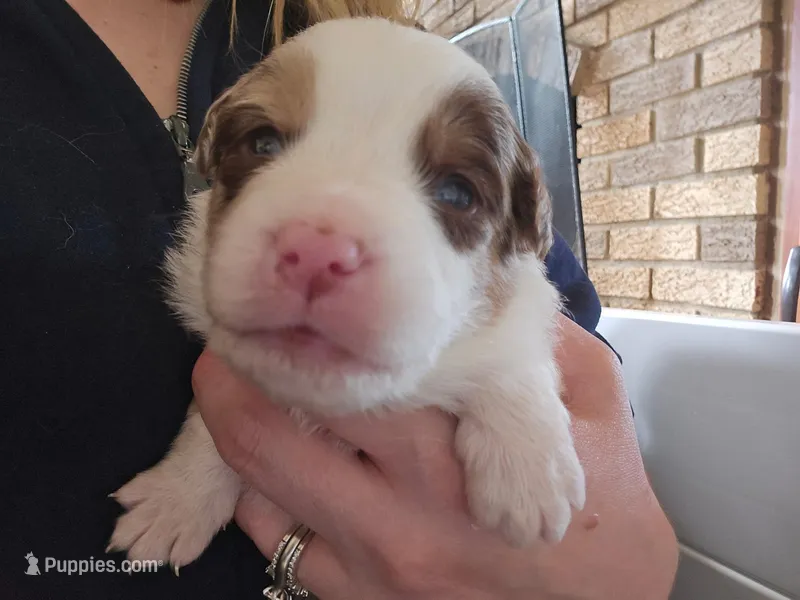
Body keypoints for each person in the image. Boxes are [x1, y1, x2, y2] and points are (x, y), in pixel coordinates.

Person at [0, 0, 678, 598]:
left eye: (451, 190)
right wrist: (199, 479)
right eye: (265, 144)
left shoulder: (394, 46)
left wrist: (528, 416)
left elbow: (550, 322)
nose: (325, 247)